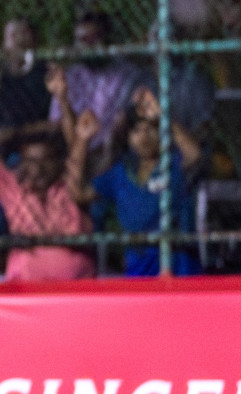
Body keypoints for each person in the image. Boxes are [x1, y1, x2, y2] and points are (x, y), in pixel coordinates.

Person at [0, 67, 94, 281]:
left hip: (75, 292)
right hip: (25, 294)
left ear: (59, 163)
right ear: (21, 164)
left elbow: (78, 142)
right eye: (30, 161)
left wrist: (63, 100)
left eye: (46, 160)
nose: (38, 168)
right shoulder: (12, 189)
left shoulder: (71, 186)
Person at [75, 87, 203, 277]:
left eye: (152, 130)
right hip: (137, 267)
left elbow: (194, 155)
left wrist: (162, 114)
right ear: (128, 137)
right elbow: (80, 192)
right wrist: (82, 141)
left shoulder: (173, 165)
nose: (144, 137)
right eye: (136, 131)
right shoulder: (120, 173)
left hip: (177, 265)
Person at [49, 11, 142, 157]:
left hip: (110, 151)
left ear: (107, 38)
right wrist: (62, 98)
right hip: (71, 148)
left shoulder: (127, 74)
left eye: (94, 39)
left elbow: (120, 125)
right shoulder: (69, 76)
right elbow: (56, 122)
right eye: (82, 40)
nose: (88, 46)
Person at [0, 18, 53, 156]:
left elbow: (53, 123)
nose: (19, 40)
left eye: (24, 33)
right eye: (13, 35)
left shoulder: (46, 75)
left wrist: (17, 133)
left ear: (34, 40)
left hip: (36, 144)